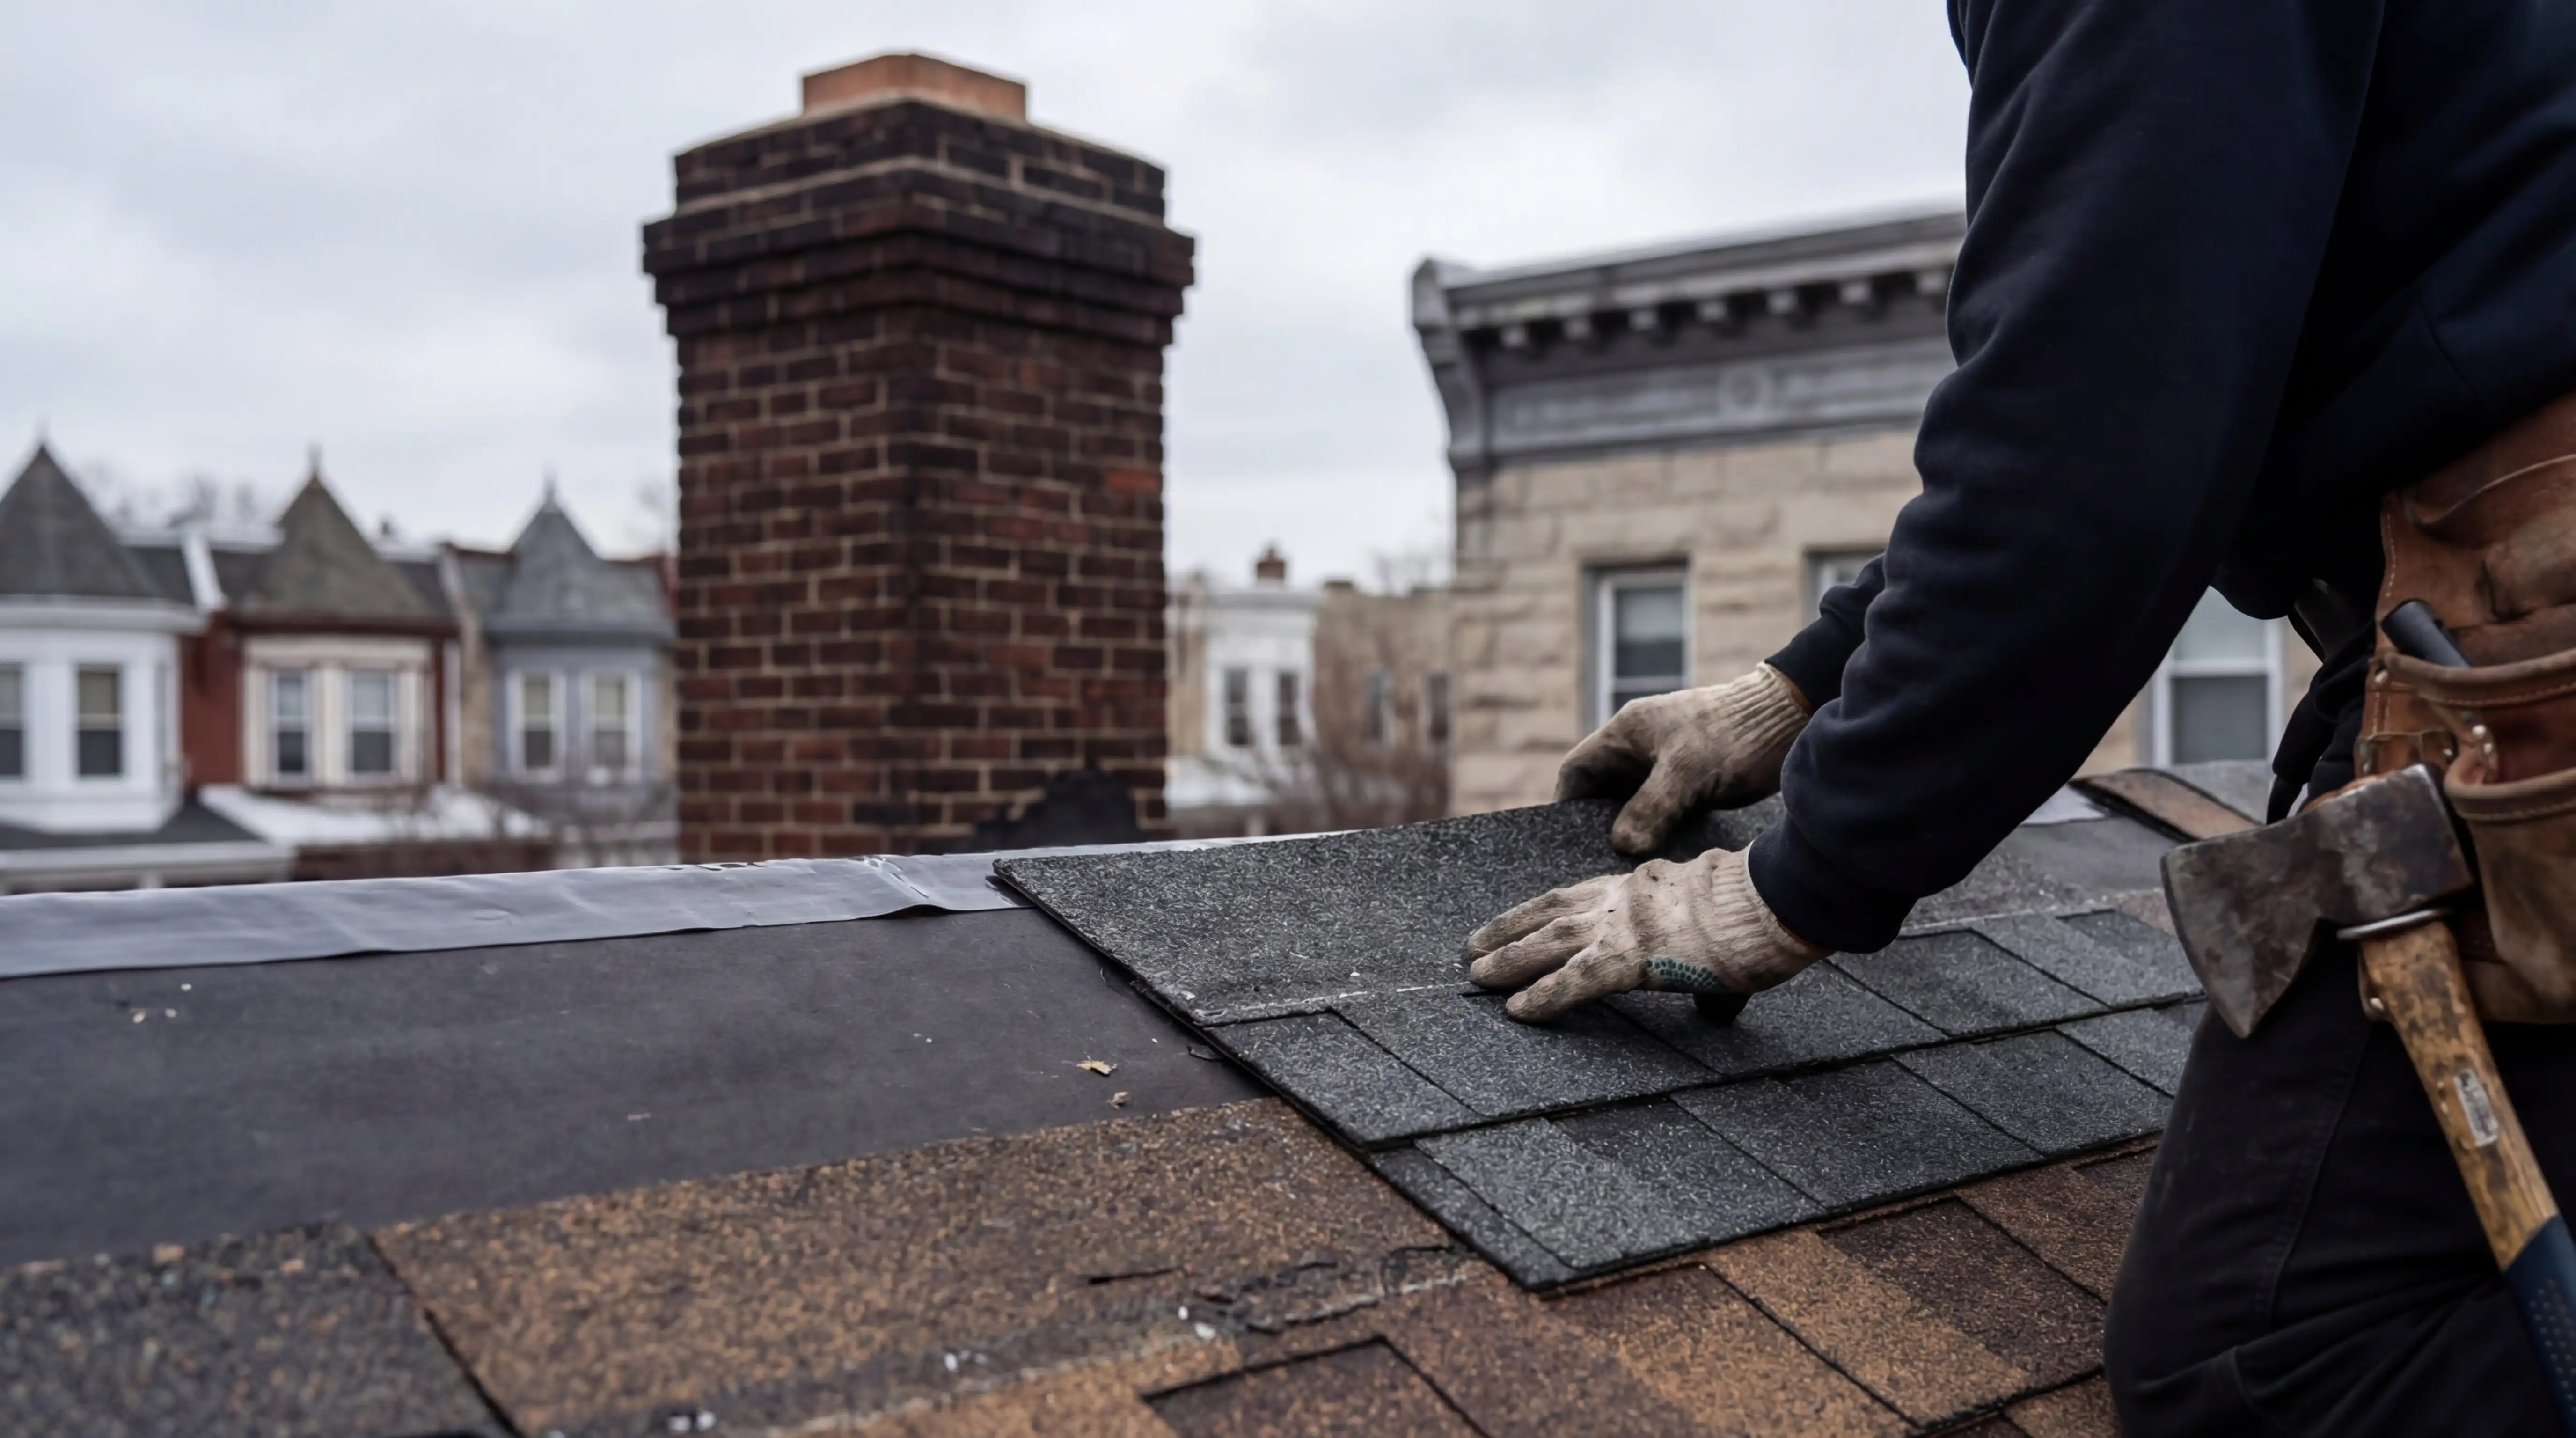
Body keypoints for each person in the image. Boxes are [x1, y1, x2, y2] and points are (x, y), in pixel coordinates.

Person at [1462, 2, 2576, 1433]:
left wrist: (1790, 887)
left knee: (2273, 1356)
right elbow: (2140, 372)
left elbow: (2096, 457)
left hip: (2519, 679)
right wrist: (1801, 687)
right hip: (2496, 643)